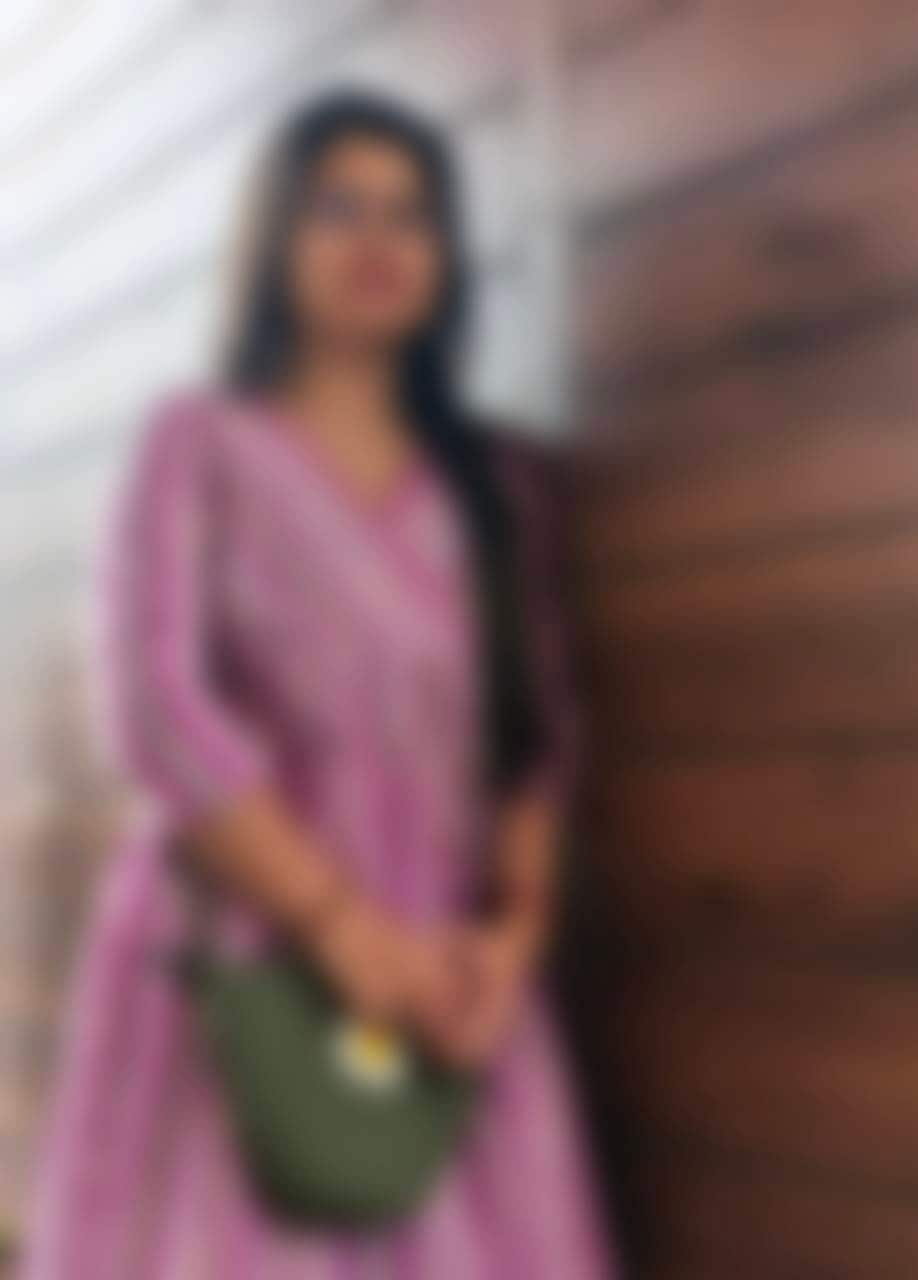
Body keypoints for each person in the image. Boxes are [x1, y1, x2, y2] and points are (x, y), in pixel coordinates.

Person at [17, 90, 618, 1279]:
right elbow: (155, 710)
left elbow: (532, 737)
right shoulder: (197, 443)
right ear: (276, 238)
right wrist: (342, 928)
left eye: (412, 214)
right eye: (339, 208)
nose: (378, 240)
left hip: (449, 985)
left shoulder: (495, 483)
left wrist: (512, 941)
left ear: (446, 258)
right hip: (248, 964)